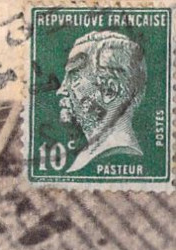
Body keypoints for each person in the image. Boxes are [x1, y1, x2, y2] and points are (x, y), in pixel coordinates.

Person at [57, 31, 147, 173]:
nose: (61, 90)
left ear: (109, 90)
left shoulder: (116, 154)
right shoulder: (87, 156)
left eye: (74, 77)